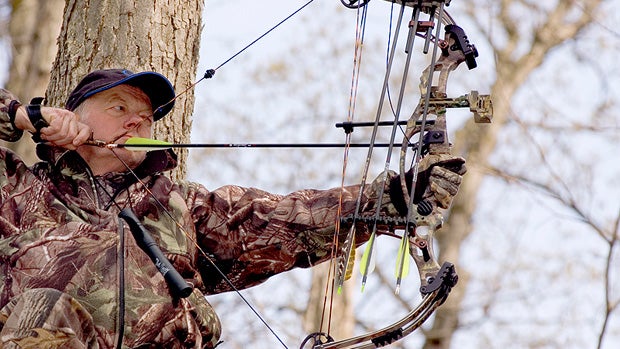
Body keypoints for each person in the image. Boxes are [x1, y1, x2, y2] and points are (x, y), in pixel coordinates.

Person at [0, 69, 465, 348]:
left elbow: (284, 219)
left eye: (146, 116)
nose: (138, 120)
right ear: (73, 115)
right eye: (119, 107)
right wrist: (21, 116)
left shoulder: (179, 204)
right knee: (43, 306)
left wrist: (395, 198)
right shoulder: (18, 191)